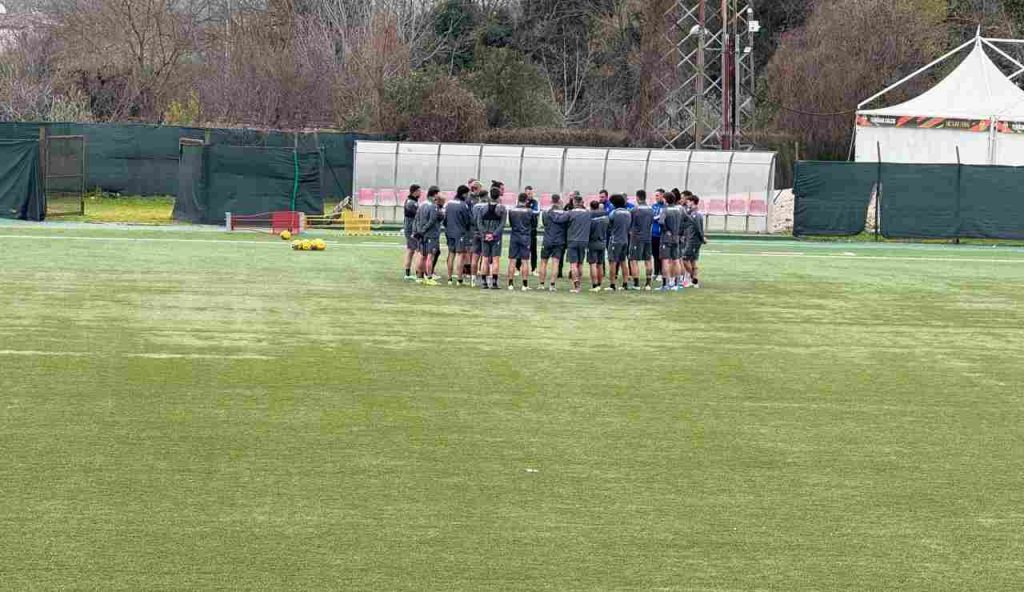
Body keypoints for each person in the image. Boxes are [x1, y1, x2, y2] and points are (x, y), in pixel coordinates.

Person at [476, 187, 507, 290]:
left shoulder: (482, 208)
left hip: (485, 237)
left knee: (484, 259)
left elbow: (479, 223)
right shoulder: (502, 208)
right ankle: (494, 283)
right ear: (498, 196)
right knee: (495, 260)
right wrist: (493, 235)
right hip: (496, 238)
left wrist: (485, 234)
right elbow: (502, 225)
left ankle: (484, 282)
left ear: (490, 195)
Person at [412, 186, 443, 285]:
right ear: (435, 194)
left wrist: (418, 231)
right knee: (430, 256)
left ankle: (419, 277)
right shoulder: (433, 206)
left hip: (422, 234)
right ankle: (429, 277)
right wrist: (423, 230)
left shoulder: (422, 204)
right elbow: (432, 220)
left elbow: (416, 218)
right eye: (438, 193)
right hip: (431, 234)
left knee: (422, 255)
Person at [538, 195, 569, 291]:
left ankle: (541, 284)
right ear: (559, 201)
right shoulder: (565, 214)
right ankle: (552, 285)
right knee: (556, 263)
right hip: (559, 241)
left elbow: (545, 224)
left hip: (548, 240)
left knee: (543, 262)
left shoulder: (546, 213)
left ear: (551, 201)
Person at [443, 185, 473, 285]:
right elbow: (468, 220)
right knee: (460, 255)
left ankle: (449, 278)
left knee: (451, 254)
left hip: (449, 232)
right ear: (464, 194)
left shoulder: (449, 203)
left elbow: (445, 219)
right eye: (467, 194)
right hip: (460, 233)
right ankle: (459, 279)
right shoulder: (463, 205)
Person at [657, 191, 685, 291]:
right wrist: (680, 232)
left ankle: (665, 284)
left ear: (666, 199)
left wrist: (666, 230)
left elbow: (661, 221)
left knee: (665, 261)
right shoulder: (679, 210)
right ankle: (677, 284)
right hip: (676, 238)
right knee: (676, 260)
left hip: (666, 239)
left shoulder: (665, 210)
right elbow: (687, 220)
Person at [628, 189, 655, 291]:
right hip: (648, 237)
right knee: (648, 260)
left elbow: (630, 224)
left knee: (633, 260)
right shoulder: (651, 209)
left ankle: (636, 284)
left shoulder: (634, 210)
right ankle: (648, 284)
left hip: (636, 238)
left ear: (637, 197)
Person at [506, 193, 534, 290]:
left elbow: (510, 223)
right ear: (526, 200)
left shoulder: (512, 210)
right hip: (525, 237)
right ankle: (525, 285)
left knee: (512, 260)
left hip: (514, 236)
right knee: (525, 260)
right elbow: (533, 223)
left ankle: (510, 284)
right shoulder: (529, 211)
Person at [565, 194, 592, 294]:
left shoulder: (570, 213)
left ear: (574, 202)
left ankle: (576, 286)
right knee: (580, 263)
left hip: (572, 240)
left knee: (573, 264)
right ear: (582, 202)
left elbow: (562, 221)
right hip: (584, 241)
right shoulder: (588, 213)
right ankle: (578, 284)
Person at [606, 194, 632, 291]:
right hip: (625, 239)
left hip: (615, 240)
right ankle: (625, 283)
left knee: (612, 262)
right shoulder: (628, 213)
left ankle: (612, 285)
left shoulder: (613, 213)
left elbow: (609, 225)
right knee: (623, 262)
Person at [682, 194, 707, 288]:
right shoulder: (692, 213)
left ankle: (692, 278)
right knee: (693, 261)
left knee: (685, 259)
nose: (686, 203)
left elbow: (698, 228)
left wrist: (702, 238)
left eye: (688, 201)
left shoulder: (695, 214)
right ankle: (695, 282)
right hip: (691, 239)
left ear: (692, 202)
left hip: (693, 241)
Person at [402, 184, 422, 280]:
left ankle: (407, 274)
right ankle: (418, 273)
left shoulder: (412, 201)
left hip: (409, 228)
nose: (420, 193)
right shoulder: (411, 203)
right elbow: (419, 215)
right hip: (411, 229)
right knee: (418, 250)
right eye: (419, 191)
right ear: (414, 191)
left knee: (410, 250)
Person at [587, 200, 608, 292]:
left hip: (592, 242)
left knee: (593, 264)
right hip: (603, 242)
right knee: (600, 264)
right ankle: (599, 284)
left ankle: (594, 284)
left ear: (591, 207)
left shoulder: (590, 217)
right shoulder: (605, 217)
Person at [651, 189, 666, 281]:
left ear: (662, 196)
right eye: (655, 195)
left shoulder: (665, 206)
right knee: (655, 254)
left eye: (657, 195)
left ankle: (661, 273)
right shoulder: (653, 206)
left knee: (662, 255)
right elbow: (651, 217)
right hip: (653, 234)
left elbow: (663, 218)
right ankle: (656, 272)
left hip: (662, 234)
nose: (656, 197)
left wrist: (657, 217)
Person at [525, 186, 540, 272]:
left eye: (531, 193)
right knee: (521, 249)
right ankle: (518, 268)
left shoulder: (535, 202)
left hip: (532, 229)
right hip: (523, 229)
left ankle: (534, 269)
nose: (530, 195)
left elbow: (537, 211)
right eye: (528, 193)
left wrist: (527, 211)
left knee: (533, 250)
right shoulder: (521, 200)